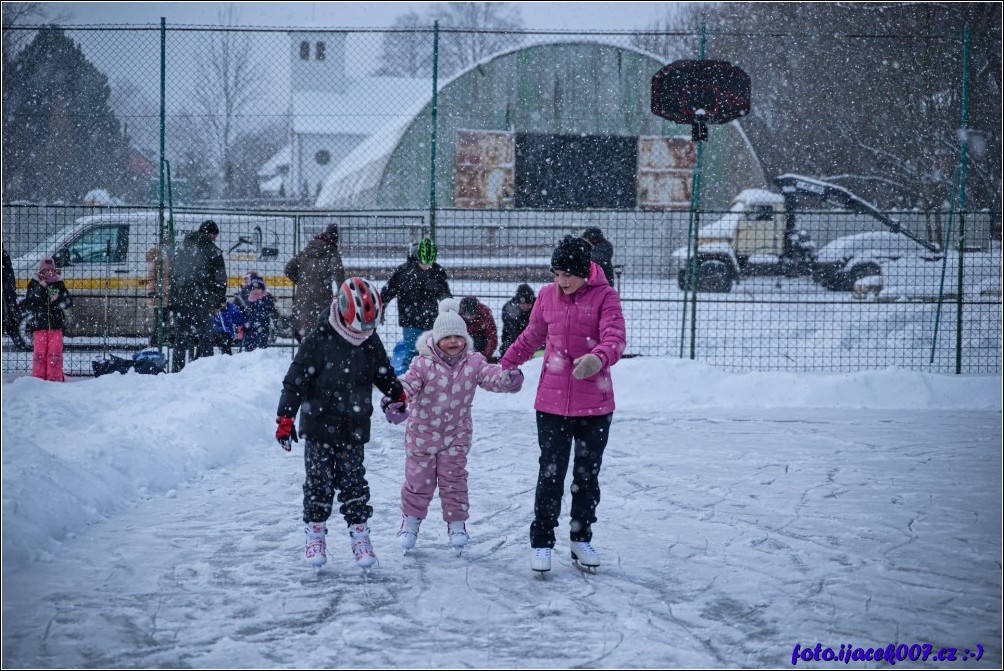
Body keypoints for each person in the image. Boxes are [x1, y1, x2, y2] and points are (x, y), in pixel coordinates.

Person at [499, 235, 626, 575]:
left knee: (586, 476)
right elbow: (531, 336)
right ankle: (542, 542)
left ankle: (581, 538)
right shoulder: (546, 296)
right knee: (550, 474)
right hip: (552, 403)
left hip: (595, 404)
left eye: (568, 274)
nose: (562, 281)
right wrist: (505, 365)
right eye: (557, 274)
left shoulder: (605, 297)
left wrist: (598, 358)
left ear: (585, 272)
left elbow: (615, 338)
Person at [275, 276, 407, 573]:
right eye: (358, 326)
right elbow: (295, 381)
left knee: (354, 484)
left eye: (368, 327)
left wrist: (397, 392)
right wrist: (285, 418)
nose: (363, 333)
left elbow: (382, 372)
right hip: (320, 425)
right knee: (318, 484)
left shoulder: (369, 339)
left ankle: (360, 536)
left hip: (353, 426)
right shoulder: (318, 339)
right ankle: (315, 535)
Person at [382, 298, 523, 556]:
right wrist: (394, 398)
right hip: (422, 436)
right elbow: (408, 385)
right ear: (436, 340)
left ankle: (457, 525)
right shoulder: (422, 364)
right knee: (418, 482)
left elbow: (490, 376)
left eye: (458, 336)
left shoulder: (473, 362)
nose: (453, 342)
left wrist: (506, 379)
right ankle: (411, 524)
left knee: (454, 480)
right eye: (447, 337)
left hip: (456, 436)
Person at [380, 237, 452, 374]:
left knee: (432, 351)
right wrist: (381, 308)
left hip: (431, 319)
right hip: (410, 319)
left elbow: (445, 294)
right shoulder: (404, 272)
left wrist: (449, 310)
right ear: (417, 257)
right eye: (424, 262)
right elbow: (388, 292)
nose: (427, 266)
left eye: (430, 262)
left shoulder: (437, 272)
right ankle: (408, 381)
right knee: (412, 352)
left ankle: (430, 379)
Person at [170, 220, 226, 372]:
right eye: (215, 236)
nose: (215, 239)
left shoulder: (181, 249)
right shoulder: (213, 251)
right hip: (203, 301)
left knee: (180, 339)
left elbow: (173, 276)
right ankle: (204, 371)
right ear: (211, 234)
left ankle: (177, 371)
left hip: (181, 301)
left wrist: (174, 300)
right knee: (205, 338)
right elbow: (220, 280)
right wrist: (217, 302)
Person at [284, 224, 345, 342]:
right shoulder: (332, 253)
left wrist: (302, 282)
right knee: (320, 338)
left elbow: (288, 269)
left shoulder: (307, 251)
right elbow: (339, 277)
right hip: (321, 301)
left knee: (304, 339)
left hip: (302, 301)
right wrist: (341, 294)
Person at [22, 257, 73, 381]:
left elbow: (68, 302)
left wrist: (59, 298)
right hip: (39, 325)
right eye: (46, 270)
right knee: (39, 354)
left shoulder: (59, 283)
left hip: (56, 326)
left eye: (51, 270)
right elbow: (29, 302)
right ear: (41, 271)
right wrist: (40, 288)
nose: (49, 273)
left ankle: (54, 378)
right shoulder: (34, 283)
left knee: (55, 354)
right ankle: (38, 378)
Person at [499, 283, 536, 358]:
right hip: (513, 340)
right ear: (517, 302)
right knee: (508, 350)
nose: (526, 305)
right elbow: (512, 332)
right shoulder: (509, 309)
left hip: (535, 340)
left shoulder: (539, 307)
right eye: (522, 303)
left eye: (528, 303)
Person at [145, 243, 171, 347]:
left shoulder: (166, 254)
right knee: (161, 319)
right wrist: (152, 292)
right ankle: (156, 342)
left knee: (162, 319)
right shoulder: (158, 254)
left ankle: (159, 341)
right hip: (161, 294)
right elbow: (152, 277)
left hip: (166, 293)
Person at [458, 295, 498, 359]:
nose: (469, 318)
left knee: (479, 341)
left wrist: (485, 356)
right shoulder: (457, 315)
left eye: (471, 315)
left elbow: (492, 337)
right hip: (463, 337)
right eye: (466, 315)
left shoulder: (485, 314)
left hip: (479, 340)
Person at [241, 276, 274, 351]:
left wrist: (262, 317)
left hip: (262, 323)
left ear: (262, 289)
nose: (256, 290)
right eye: (253, 288)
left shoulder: (266, 298)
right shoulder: (249, 299)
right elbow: (246, 312)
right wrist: (247, 321)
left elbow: (268, 309)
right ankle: (249, 351)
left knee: (261, 340)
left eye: (258, 288)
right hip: (251, 324)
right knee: (250, 340)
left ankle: (260, 352)